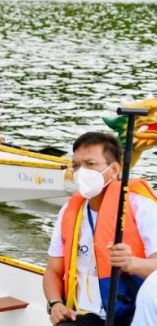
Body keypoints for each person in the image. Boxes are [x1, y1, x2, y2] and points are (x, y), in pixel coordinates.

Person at [43, 132, 157, 326]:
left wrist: (132, 263)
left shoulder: (141, 206)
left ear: (114, 170)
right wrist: (55, 304)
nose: (81, 172)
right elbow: (53, 271)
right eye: (76, 166)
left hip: (131, 314)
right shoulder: (70, 211)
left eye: (90, 164)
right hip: (82, 314)